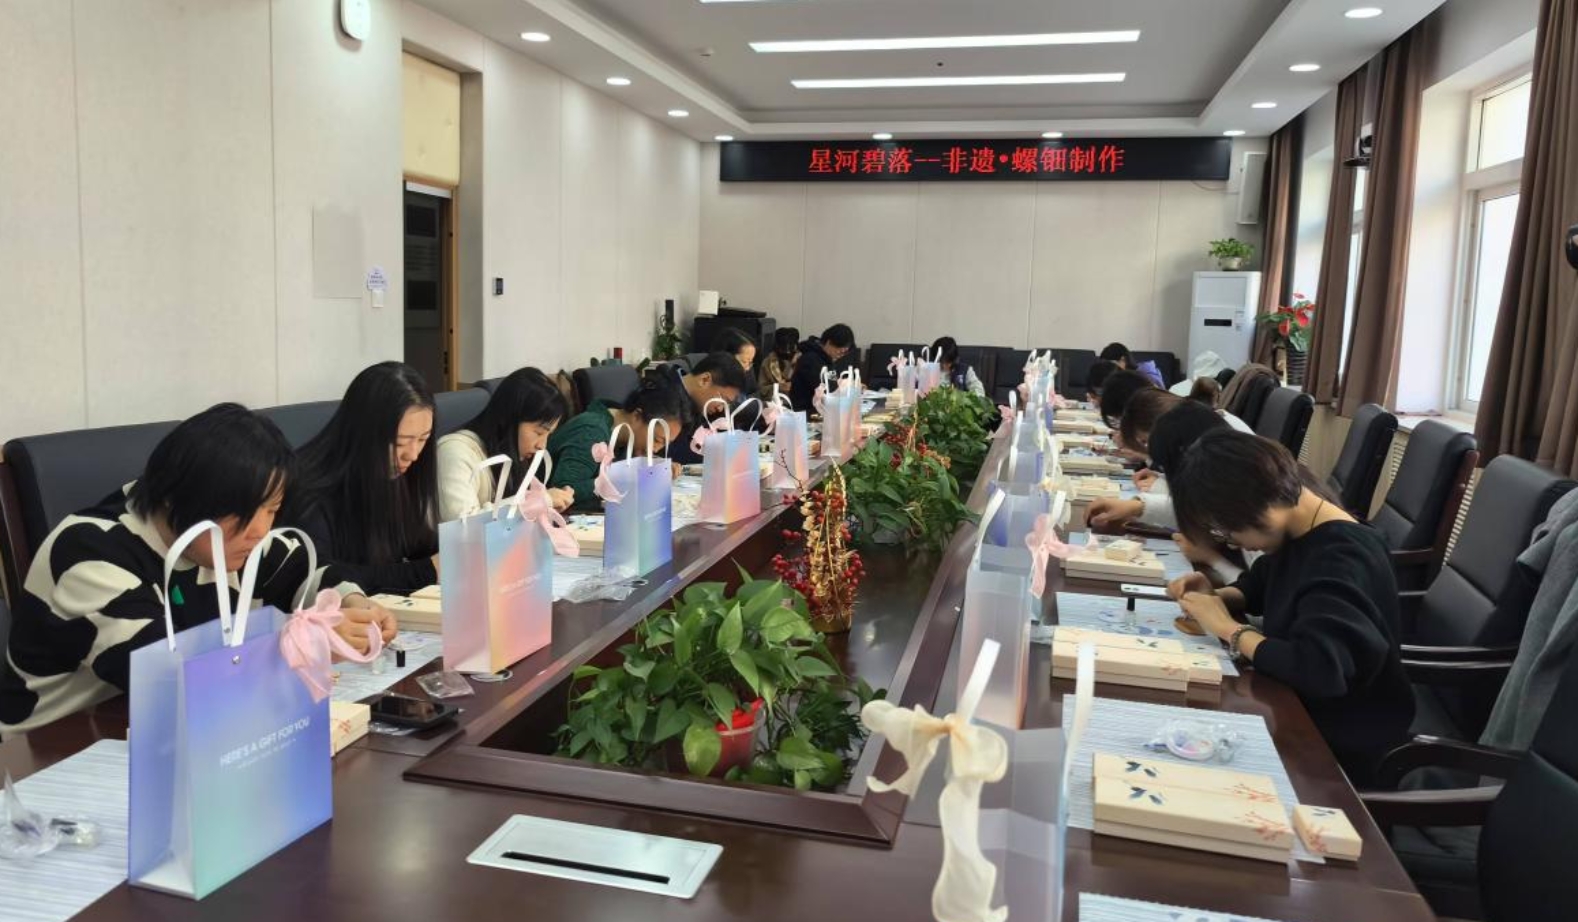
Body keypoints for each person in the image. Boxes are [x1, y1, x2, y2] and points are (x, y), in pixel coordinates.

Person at [0, 404, 395, 735]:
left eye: (272, 509)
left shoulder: (225, 537)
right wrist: (303, 646)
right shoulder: (89, 552)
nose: (260, 531)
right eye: (245, 513)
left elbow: (303, 571)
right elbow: (169, 677)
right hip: (50, 753)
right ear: (179, 499)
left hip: (152, 734)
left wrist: (351, 602)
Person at [1165, 431, 1413, 785]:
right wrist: (1219, 596)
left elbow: (1319, 668)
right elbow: (1262, 585)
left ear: (1259, 505)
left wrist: (1229, 629)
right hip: (1293, 707)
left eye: (1226, 531)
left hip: (1335, 744)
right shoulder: (1302, 529)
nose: (1231, 542)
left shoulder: (1342, 557)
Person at [287, 363, 443, 597]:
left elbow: (416, 539)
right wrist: (427, 571)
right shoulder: (308, 492)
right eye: (400, 442)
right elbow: (322, 578)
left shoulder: (391, 474)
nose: (413, 455)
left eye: (423, 439)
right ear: (364, 433)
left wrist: (461, 547)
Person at [437, 367, 571, 522]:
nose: (542, 446)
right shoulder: (455, 452)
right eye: (539, 432)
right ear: (509, 420)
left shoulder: (509, 454)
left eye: (549, 435)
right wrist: (538, 502)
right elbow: (462, 525)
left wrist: (545, 507)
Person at [547, 378, 691, 512]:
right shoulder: (591, 432)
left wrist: (653, 466)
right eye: (657, 440)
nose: (655, 449)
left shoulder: (624, 435)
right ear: (636, 416)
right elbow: (562, 493)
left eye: (665, 444)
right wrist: (626, 477)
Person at [653, 352, 754, 465]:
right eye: (723, 399)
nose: (720, 408)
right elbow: (671, 453)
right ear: (704, 380)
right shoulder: (663, 397)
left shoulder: (694, 400)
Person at [790, 324, 857, 411]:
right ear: (829, 342)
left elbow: (832, 385)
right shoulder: (810, 360)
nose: (841, 355)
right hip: (806, 411)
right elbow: (828, 390)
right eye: (840, 351)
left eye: (844, 353)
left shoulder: (826, 358)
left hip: (820, 409)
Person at [711, 327, 759, 396]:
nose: (748, 368)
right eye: (744, 362)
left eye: (750, 362)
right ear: (725, 357)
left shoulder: (747, 371)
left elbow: (753, 393)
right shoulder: (709, 382)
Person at [1100, 342, 1165, 388]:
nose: (1108, 368)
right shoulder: (1125, 376)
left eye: (1110, 364)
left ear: (1122, 359)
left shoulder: (1146, 376)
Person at [759, 328, 799, 395]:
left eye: (790, 348)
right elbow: (762, 390)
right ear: (777, 346)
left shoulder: (803, 360)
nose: (788, 352)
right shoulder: (768, 362)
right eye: (784, 349)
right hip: (776, 398)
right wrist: (778, 387)